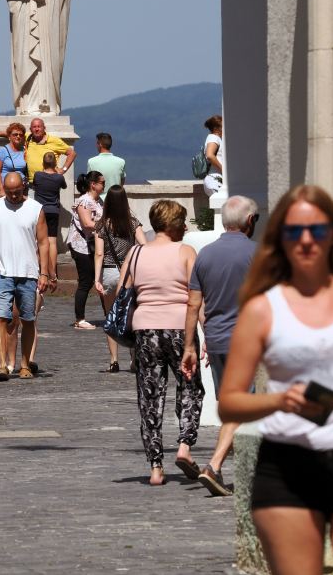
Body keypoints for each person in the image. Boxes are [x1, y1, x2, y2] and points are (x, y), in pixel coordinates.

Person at [218, 185, 333, 575]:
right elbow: (230, 402)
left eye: (317, 230)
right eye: (294, 231)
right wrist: (280, 401)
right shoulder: (262, 308)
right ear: (280, 238)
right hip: (287, 466)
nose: (306, 240)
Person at [179, 195, 259, 496]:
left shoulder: (205, 255)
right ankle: (214, 465)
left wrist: (190, 346)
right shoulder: (257, 255)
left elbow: (193, 305)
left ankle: (232, 469)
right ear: (250, 221)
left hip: (215, 339)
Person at [123, 200, 202, 486]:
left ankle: (156, 467)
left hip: (146, 330)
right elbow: (196, 298)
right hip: (181, 329)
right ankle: (184, 446)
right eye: (182, 221)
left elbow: (124, 291)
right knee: (191, 387)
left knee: (150, 397)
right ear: (172, 223)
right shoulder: (186, 253)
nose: (185, 226)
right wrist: (201, 336)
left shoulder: (136, 253)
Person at [0, 172, 55, 380]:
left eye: (17, 192)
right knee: (1, 317)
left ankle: (24, 364)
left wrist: (45, 272)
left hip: (28, 272)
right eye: (9, 192)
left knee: (28, 319)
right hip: (1, 272)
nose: (13, 196)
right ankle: (2, 364)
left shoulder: (35, 209)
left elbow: (43, 242)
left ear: (24, 187)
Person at [93, 185, 146, 371]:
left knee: (111, 316)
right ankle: (134, 357)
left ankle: (114, 360)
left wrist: (96, 279)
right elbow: (144, 245)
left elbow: (99, 254)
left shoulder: (101, 225)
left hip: (109, 272)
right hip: (130, 272)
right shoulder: (132, 222)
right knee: (132, 314)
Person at [67, 171, 104, 330]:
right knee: (86, 281)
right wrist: (108, 228)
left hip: (93, 244)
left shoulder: (99, 200)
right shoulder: (84, 201)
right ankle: (79, 318)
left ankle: (109, 314)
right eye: (101, 182)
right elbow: (87, 223)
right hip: (80, 245)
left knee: (101, 279)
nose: (104, 184)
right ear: (93, 184)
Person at [30, 151, 66, 280]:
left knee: (39, 240)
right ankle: (53, 272)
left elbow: (34, 186)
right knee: (52, 241)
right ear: (55, 163)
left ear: (43, 163)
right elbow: (64, 186)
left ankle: (40, 269)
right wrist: (57, 170)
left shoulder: (38, 175)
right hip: (54, 210)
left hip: (40, 211)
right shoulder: (58, 178)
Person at [86, 132, 125, 200]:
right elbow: (121, 182)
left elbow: (89, 183)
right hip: (116, 199)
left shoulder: (91, 162)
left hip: (98, 200)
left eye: (97, 143)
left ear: (100, 144)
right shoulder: (121, 162)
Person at [0, 122, 28, 195]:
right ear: (9, 136)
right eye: (15, 134)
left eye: (20, 135)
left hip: (21, 189)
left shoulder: (24, 150)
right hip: (7, 190)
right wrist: (1, 190)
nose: (18, 136)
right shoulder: (3, 150)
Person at [203, 115, 224, 197]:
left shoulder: (215, 138)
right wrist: (223, 170)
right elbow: (210, 155)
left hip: (215, 178)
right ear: (216, 128)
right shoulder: (213, 138)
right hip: (215, 179)